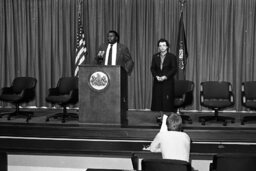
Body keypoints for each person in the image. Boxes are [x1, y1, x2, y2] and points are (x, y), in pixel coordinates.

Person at [150, 38, 177, 116]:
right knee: (157, 100)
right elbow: (152, 68)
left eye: (164, 45)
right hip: (157, 81)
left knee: (167, 100)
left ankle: (167, 117)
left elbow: (174, 69)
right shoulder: (155, 56)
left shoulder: (172, 56)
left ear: (167, 47)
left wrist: (165, 76)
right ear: (158, 47)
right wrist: (156, 76)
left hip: (168, 81)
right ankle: (159, 117)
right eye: (160, 46)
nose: (162, 47)